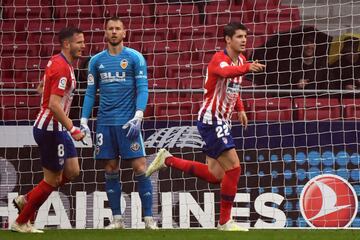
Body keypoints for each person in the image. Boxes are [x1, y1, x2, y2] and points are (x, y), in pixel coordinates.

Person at [146, 22, 265, 231]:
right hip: (211, 121)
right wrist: (247, 68)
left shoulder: (241, 59)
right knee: (235, 169)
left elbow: (233, 87)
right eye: (239, 36)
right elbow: (227, 73)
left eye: (245, 36)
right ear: (228, 39)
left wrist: (240, 109)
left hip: (223, 120)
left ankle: (167, 159)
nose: (244, 40)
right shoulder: (219, 60)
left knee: (216, 176)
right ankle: (224, 222)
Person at [80, 17, 157, 229]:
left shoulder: (135, 58)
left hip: (128, 123)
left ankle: (149, 218)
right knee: (110, 168)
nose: (114, 32)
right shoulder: (96, 61)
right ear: (105, 33)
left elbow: (143, 89)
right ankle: (117, 219)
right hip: (105, 123)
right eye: (110, 29)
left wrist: (139, 115)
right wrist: (84, 121)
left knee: (140, 167)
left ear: (124, 33)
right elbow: (89, 93)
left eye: (117, 29)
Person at [11, 27, 86, 233]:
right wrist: (73, 129)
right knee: (51, 180)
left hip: (57, 127)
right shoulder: (62, 68)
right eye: (79, 42)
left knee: (72, 171)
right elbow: (54, 105)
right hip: (52, 128)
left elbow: (44, 85)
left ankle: (27, 199)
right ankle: (21, 222)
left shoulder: (57, 61)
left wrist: (46, 86)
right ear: (67, 44)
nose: (83, 46)